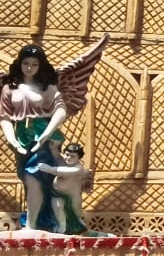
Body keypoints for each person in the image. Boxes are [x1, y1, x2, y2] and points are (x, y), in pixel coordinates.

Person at [0, 38, 107, 233]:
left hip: (44, 138)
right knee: (29, 178)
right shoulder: (9, 88)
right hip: (22, 138)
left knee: (34, 177)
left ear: (40, 66)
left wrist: (46, 134)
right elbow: (4, 116)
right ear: (19, 63)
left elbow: (61, 110)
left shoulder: (47, 88)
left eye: (34, 64)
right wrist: (11, 138)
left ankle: (32, 225)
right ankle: (43, 221)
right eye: (26, 63)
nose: (29, 68)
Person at [36, 143, 93, 235]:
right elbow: (57, 157)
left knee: (75, 215)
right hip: (56, 193)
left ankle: (74, 229)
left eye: (72, 156)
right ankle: (61, 228)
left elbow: (61, 171)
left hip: (72, 197)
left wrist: (48, 168)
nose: (68, 158)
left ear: (78, 158)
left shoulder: (77, 169)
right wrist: (53, 147)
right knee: (58, 209)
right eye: (67, 154)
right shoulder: (64, 163)